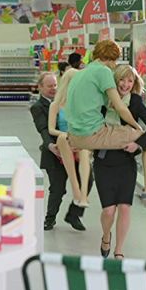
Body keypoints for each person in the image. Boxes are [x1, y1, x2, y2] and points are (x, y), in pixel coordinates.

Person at [61, 40, 146, 195]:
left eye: (129, 81)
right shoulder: (103, 71)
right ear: (112, 59)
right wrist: (137, 128)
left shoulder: (81, 73)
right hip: (93, 135)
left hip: (74, 133)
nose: (114, 66)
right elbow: (120, 108)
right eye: (115, 61)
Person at [95, 64, 146, 260]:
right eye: (122, 79)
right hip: (103, 160)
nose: (126, 84)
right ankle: (106, 236)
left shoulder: (136, 102)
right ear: (114, 80)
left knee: (124, 207)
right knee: (108, 210)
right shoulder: (102, 100)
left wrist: (138, 145)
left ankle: (119, 250)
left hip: (125, 162)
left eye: (130, 81)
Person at [30, 72, 92, 231]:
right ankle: (50, 219)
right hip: (54, 153)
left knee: (88, 180)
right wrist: (51, 146)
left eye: (55, 85)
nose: (53, 88)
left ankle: (74, 214)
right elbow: (44, 129)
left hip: (76, 149)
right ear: (40, 87)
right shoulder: (38, 107)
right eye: (49, 86)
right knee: (58, 188)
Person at [49, 68, 91, 207]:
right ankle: (76, 190)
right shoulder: (55, 105)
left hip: (79, 139)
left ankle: (83, 194)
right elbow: (51, 129)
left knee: (84, 150)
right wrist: (66, 134)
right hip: (64, 140)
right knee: (62, 138)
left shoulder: (83, 104)